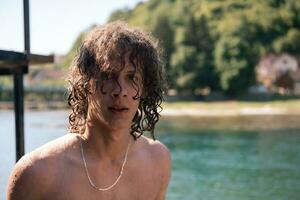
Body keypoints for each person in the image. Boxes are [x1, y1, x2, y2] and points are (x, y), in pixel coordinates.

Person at [7, 21, 171, 200]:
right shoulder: (38, 173)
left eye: (131, 77)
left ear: (145, 87)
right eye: (108, 76)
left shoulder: (158, 161)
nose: (120, 91)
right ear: (85, 84)